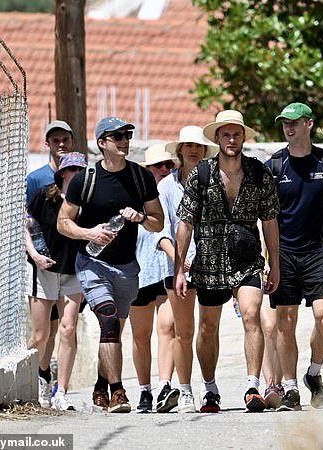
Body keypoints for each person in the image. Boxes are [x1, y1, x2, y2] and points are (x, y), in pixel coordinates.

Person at [174, 110, 280, 413]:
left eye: (237, 134)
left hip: (247, 258)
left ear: (243, 137)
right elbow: (185, 222)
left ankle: (251, 386)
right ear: (217, 138)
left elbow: (270, 221)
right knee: (208, 327)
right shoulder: (202, 173)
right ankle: (210, 388)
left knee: (251, 313)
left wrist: (276, 263)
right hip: (208, 260)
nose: (232, 139)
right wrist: (179, 269)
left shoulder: (259, 173)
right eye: (226, 134)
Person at [57, 116, 164, 414]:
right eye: (117, 136)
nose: (124, 141)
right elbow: (63, 222)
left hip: (127, 267)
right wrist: (89, 233)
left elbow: (158, 222)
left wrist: (140, 217)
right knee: (107, 319)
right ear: (102, 143)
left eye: (127, 135)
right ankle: (119, 392)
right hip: (92, 262)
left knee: (114, 328)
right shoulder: (85, 180)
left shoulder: (141, 177)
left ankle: (101, 384)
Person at [262, 102, 323, 411]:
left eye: (295, 122)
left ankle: (313, 374)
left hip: (317, 251)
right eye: (285, 122)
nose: (289, 127)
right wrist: (268, 260)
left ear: (309, 124)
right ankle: (290, 387)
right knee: (286, 321)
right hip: (283, 253)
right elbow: (267, 219)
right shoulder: (273, 166)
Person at [157, 125, 218, 413]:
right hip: (178, 268)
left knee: (208, 328)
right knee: (183, 331)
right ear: (180, 150)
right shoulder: (166, 187)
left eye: (199, 146)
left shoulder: (214, 181)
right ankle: (185, 391)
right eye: (188, 145)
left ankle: (210, 388)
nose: (194, 150)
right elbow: (161, 231)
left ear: (205, 151)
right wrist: (180, 261)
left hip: (209, 266)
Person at [26, 152, 87, 411]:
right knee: (41, 335)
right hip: (45, 270)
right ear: (62, 173)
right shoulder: (45, 196)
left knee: (68, 329)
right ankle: (37, 376)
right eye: (72, 170)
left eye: (80, 170)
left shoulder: (89, 202)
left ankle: (61, 391)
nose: (76, 175)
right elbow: (26, 225)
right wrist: (35, 255)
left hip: (74, 272)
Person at [131, 144, 179, 413]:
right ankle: (144, 391)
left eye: (168, 165)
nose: (163, 170)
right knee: (140, 335)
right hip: (140, 271)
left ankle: (164, 385)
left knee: (167, 328)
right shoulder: (135, 194)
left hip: (168, 271)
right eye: (158, 165)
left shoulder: (176, 191)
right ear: (147, 169)